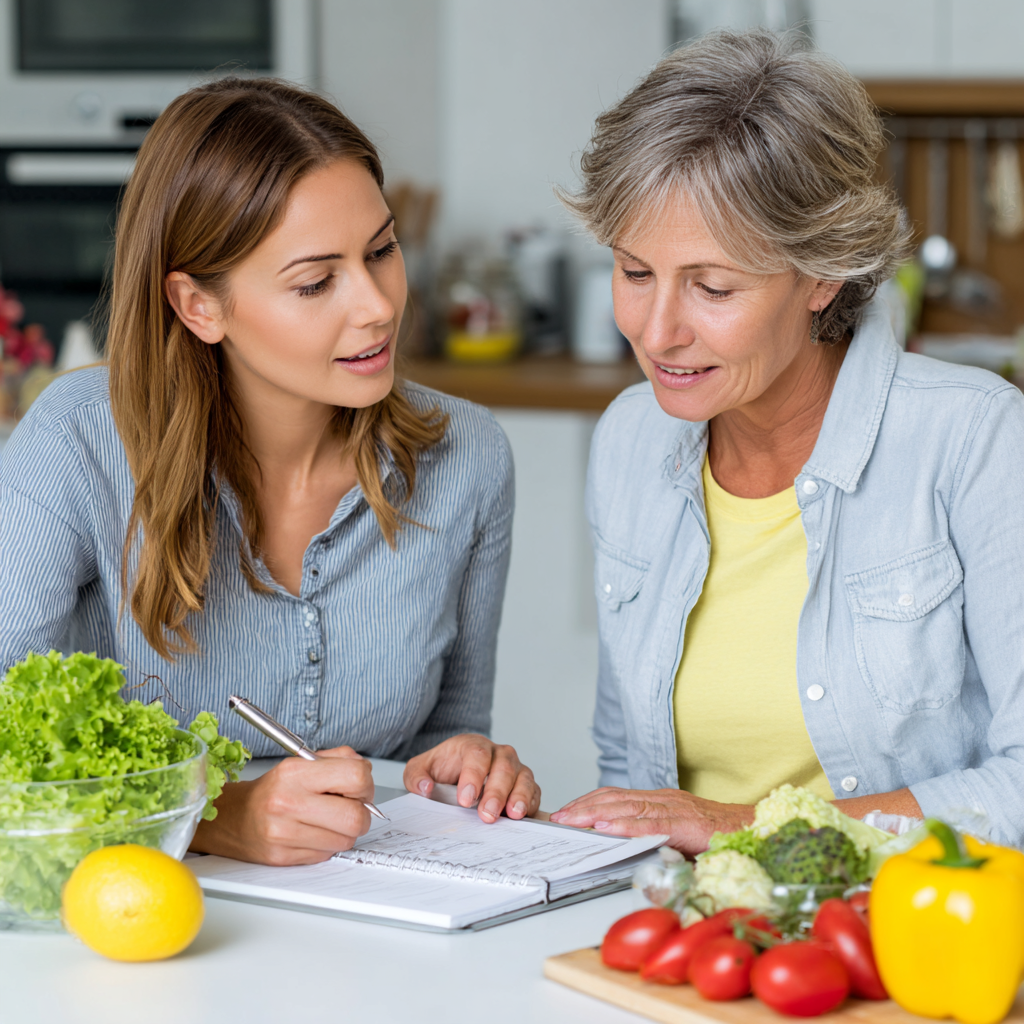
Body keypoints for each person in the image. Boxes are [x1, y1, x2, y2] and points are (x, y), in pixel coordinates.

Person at [0, 78, 539, 865]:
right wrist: (218, 819)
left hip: (370, 923)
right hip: (131, 927)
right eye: (316, 282)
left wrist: (463, 768)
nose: (378, 306)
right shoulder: (77, 442)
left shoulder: (469, 455)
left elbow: (443, 732)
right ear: (198, 306)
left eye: (383, 251)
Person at [549, 30, 1024, 849]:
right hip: (694, 943)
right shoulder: (631, 438)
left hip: (912, 938)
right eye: (634, 273)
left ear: (821, 275)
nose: (657, 331)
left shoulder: (975, 440)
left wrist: (748, 828)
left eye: (712, 286)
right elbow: (632, 772)